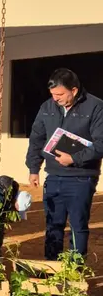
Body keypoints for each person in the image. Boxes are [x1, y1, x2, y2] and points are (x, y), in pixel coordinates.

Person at [26, 68, 103, 259]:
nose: (55, 99)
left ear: (74, 90)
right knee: (53, 225)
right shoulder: (47, 107)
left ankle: (74, 273)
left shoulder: (96, 107)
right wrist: (34, 168)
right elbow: (36, 138)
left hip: (82, 177)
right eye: (52, 94)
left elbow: (101, 144)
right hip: (53, 177)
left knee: (77, 226)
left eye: (59, 94)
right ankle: (52, 270)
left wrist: (74, 158)